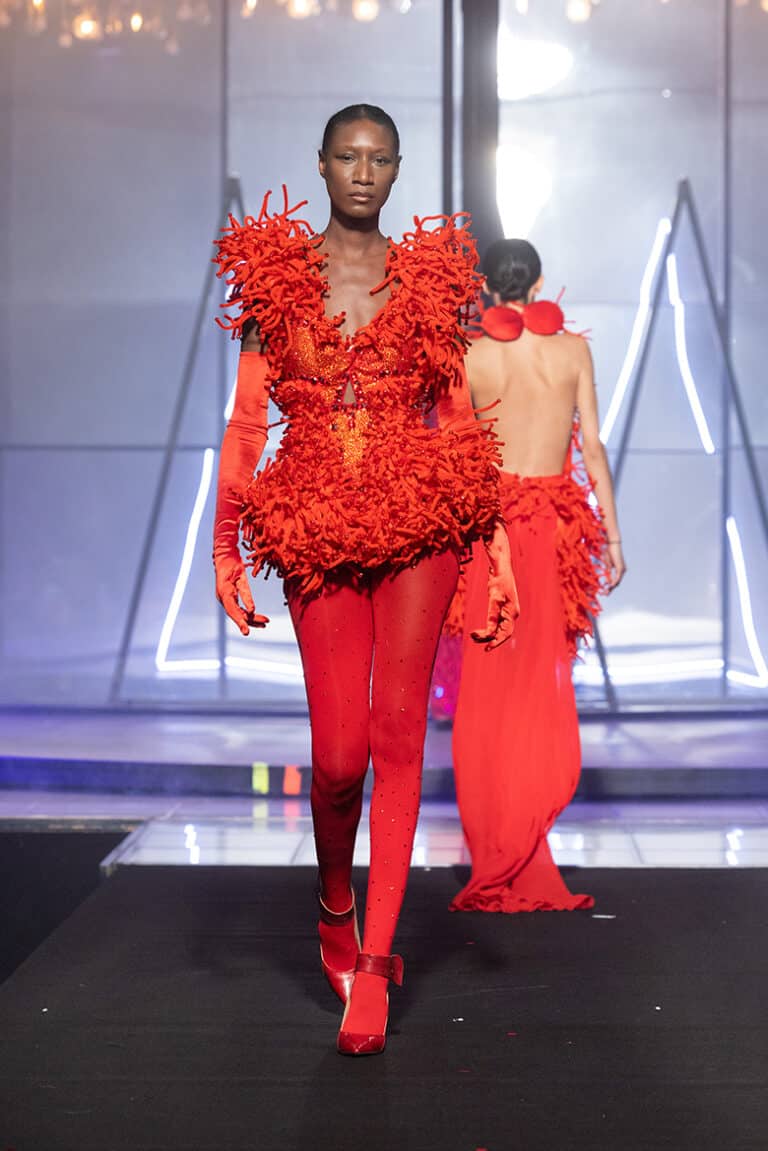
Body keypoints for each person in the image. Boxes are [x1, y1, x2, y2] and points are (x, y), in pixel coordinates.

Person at [212, 105, 516, 1055]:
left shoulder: (427, 280)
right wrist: (227, 544)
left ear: (397, 172)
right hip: (313, 521)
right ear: (319, 165)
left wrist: (493, 547)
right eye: (347, 156)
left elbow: (460, 419)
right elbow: (248, 420)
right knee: (337, 755)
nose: (362, 171)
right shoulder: (279, 276)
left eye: (380, 158)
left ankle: (378, 964)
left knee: (396, 737)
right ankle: (334, 898)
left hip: (420, 520)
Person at [448, 237, 626, 914]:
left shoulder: (474, 355)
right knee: (538, 688)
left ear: (487, 290)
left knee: (486, 691)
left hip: (491, 536)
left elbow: (458, 459)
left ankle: (496, 849)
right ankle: (520, 848)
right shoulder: (573, 351)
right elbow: (593, 447)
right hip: (552, 530)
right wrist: (611, 532)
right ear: (541, 281)